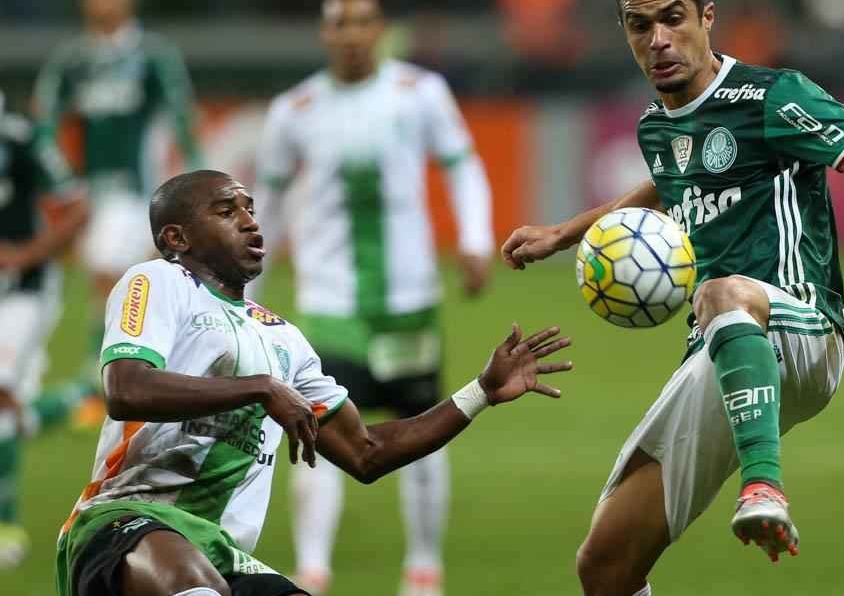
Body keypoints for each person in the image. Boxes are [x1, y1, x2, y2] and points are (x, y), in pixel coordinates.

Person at [501, 0, 844, 596]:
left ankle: (764, 482)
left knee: (722, 291)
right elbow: (670, 181)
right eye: (639, 25)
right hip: (723, 348)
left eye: (673, 18)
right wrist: (566, 232)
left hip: (803, 330)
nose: (659, 39)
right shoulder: (658, 126)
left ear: (707, 16)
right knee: (606, 563)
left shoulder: (771, 95)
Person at [55, 169, 569, 596]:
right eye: (226, 211)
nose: (251, 222)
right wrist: (259, 388)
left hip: (221, 551)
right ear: (176, 238)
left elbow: (365, 452)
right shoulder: (158, 282)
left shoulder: (285, 341)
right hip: (125, 522)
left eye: (251, 208)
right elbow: (126, 389)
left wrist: (479, 392)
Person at [253, 0, 494, 595]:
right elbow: (269, 204)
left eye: (364, 22)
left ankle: (423, 568)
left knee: (423, 426)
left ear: (380, 28)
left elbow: (462, 164)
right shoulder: (295, 109)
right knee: (317, 429)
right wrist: (247, 282)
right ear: (324, 32)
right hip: (330, 305)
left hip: (407, 304)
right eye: (341, 23)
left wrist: (475, 237)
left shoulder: (420, 93)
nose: (353, 34)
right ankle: (312, 570)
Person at [33, 0, 202, 418]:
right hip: (93, 195)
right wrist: (63, 185)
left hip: (140, 191)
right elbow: (44, 123)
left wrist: (197, 185)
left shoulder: (152, 54)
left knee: (119, 278)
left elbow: (183, 119)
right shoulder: (72, 60)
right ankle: (117, 377)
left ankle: (102, 380)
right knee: (113, 286)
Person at [0, 91, 89, 568]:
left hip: (23, 290)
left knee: (0, 394)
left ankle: (5, 526)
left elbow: (77, 206)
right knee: (11, 413)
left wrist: (27, 254)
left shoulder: (22, 139)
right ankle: (76, 401)